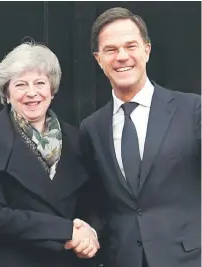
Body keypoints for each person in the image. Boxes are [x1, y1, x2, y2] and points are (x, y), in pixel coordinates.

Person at [78, 7, 201, 267]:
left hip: (188, 258)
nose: (122, 57)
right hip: (121, 259)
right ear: (98, 59)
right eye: (110, 50)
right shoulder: (91, 128)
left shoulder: (192, 110)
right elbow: (94, 200)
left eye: (130, 46)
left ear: (147, 49)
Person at [0, 42, 99, 267]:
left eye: (39, 83)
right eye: (20, 85)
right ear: (6, 93)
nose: (31, 92)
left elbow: (91, 204)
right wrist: (64, 230)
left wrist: (91, 236)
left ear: (51, 90)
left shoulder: (75, 139)